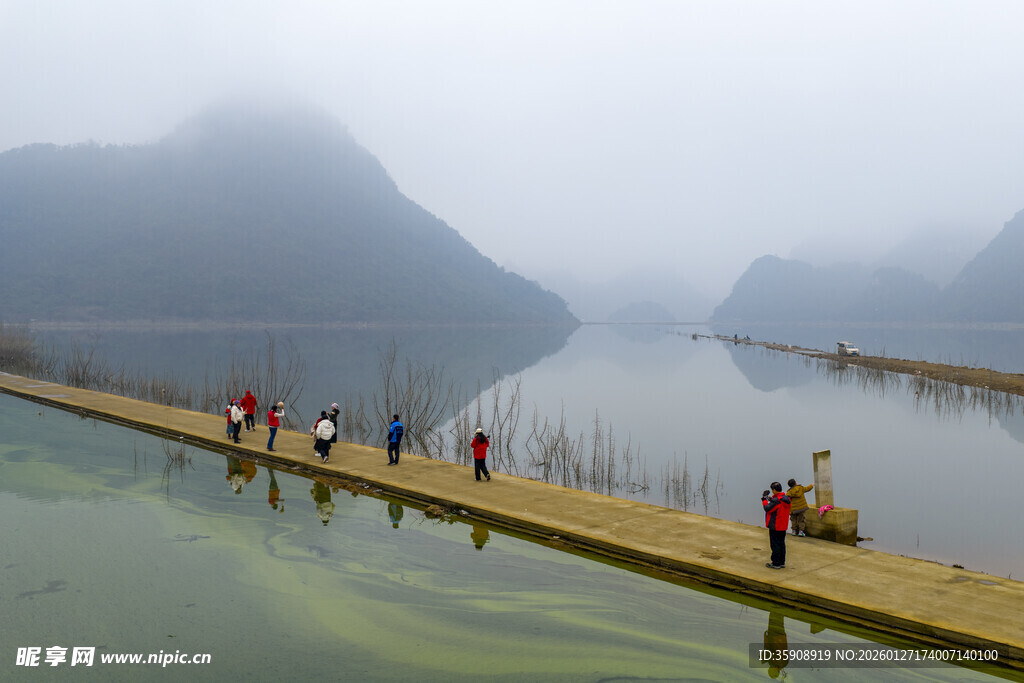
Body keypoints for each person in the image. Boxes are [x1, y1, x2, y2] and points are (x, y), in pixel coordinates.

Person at [761, 482, 791, 569]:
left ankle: (775, 563)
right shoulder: (786, 499)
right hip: (783, 526)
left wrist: (764, 499)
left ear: (774, 490)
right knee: (781, 544)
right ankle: (782, 562)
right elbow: (777, 504)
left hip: (775, 526)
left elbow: (767, 508)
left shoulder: (776, 500)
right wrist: (770, 499)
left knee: (775, 545)